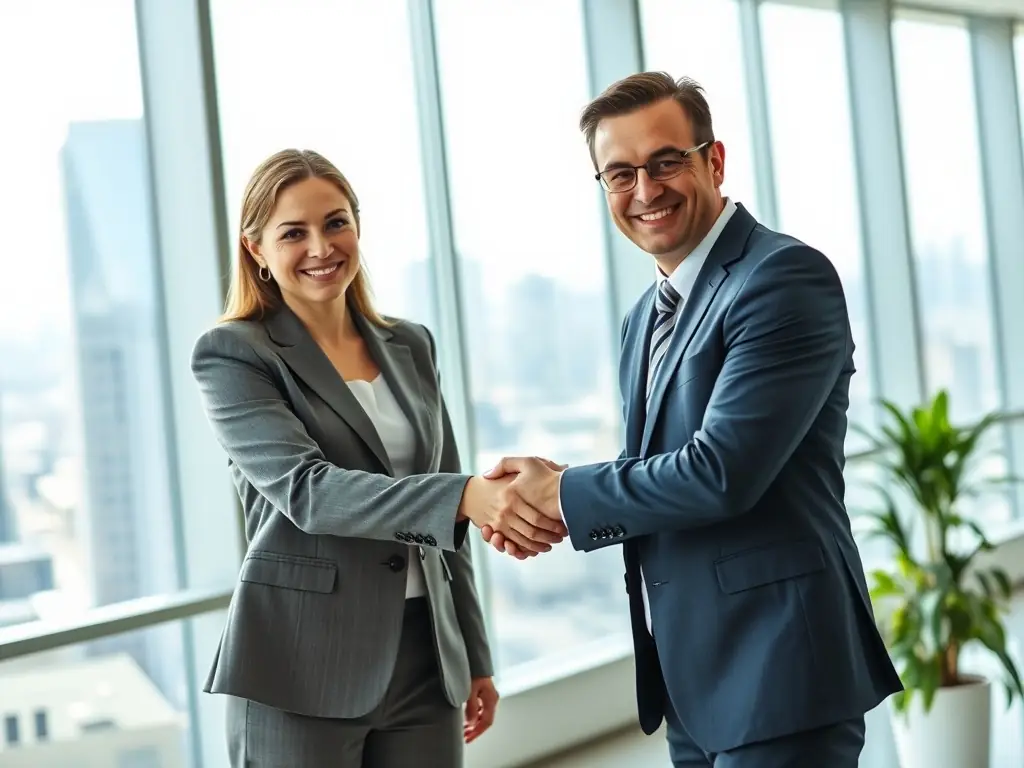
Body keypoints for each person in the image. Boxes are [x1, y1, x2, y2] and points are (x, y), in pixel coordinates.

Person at [481, 73, 903, 767]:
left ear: (715, 161)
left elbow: (720, 472)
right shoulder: (642, 318)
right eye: (620, 174)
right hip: (692, 679)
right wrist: (545, 505)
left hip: (782, 670)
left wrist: (558, 493)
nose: (645, 190)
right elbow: (656, 477)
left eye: (666, 162)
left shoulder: (782, 277)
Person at [190, 148, 566, 767]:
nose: (321, 247)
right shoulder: (235, 353)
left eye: (336, 222)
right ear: (256, 249)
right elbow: (309, 492)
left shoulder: (410, 344)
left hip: (427, 655)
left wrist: (474, 652)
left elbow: (450, 513)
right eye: (293, 232)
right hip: (302, 660)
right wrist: (467, 495)